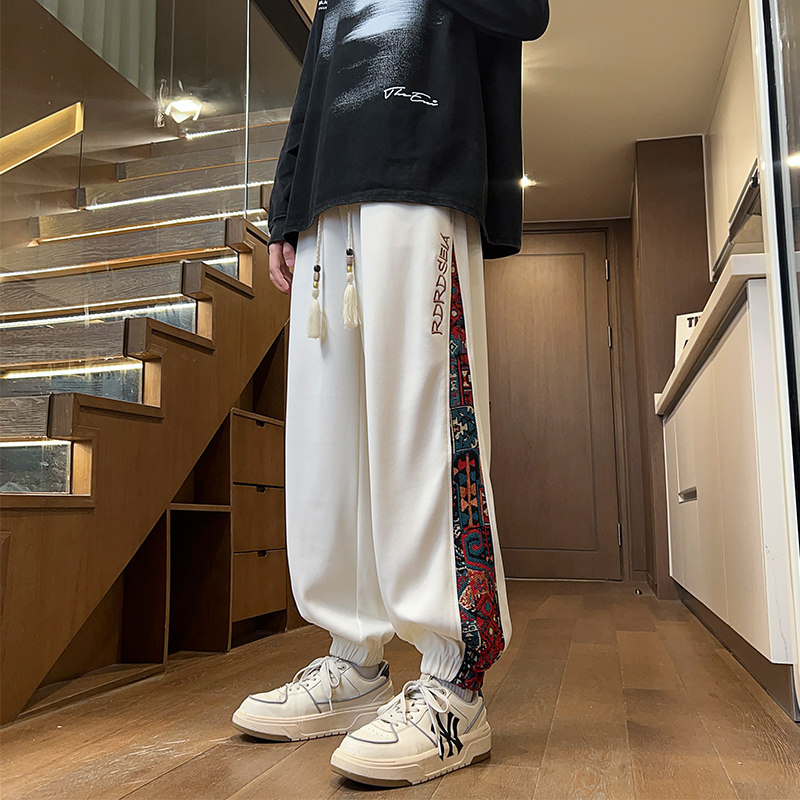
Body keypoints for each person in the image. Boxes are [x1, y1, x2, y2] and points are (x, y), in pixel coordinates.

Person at [232, 0, 550, 786]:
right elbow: (316, 73)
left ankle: (454, 687)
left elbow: (526, 13)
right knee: (326, 442)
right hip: (325, 193)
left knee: (420, 421)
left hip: (423, 166)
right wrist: (285, 206)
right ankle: (354, 660)